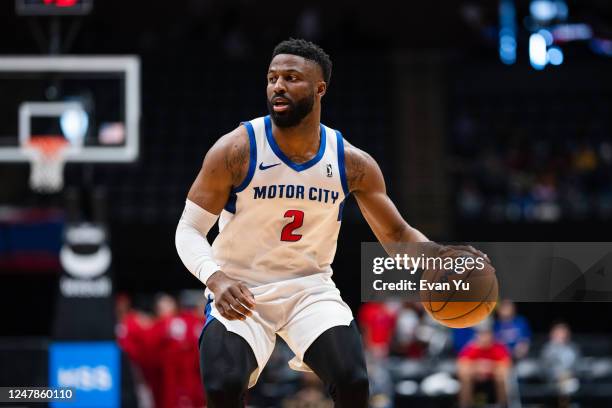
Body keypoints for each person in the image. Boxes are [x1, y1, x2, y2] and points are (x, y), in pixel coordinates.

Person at [175, 38, 489, 408]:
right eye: (272, 77)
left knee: (353, 379)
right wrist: (216, 277)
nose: (278, 86)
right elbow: (189, 230)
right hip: (240, 287)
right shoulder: (236, 149)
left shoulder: (351, 162)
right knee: (223, 384)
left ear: (319, 88)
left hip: (309, 289)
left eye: (291, 77)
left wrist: (438, 257)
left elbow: (397, 233)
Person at [457, 324, 512, 408]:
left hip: (493, 378)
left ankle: (503, 405)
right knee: (465, 377)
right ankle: (465, 405)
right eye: (481, 334)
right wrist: (478, 368)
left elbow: (506, 366)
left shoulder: (498, 347)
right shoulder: (471, 347)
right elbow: (462, 367)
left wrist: (489, 367)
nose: (484, 337)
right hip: (475, 378)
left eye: (486, 334)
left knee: (502, 377)